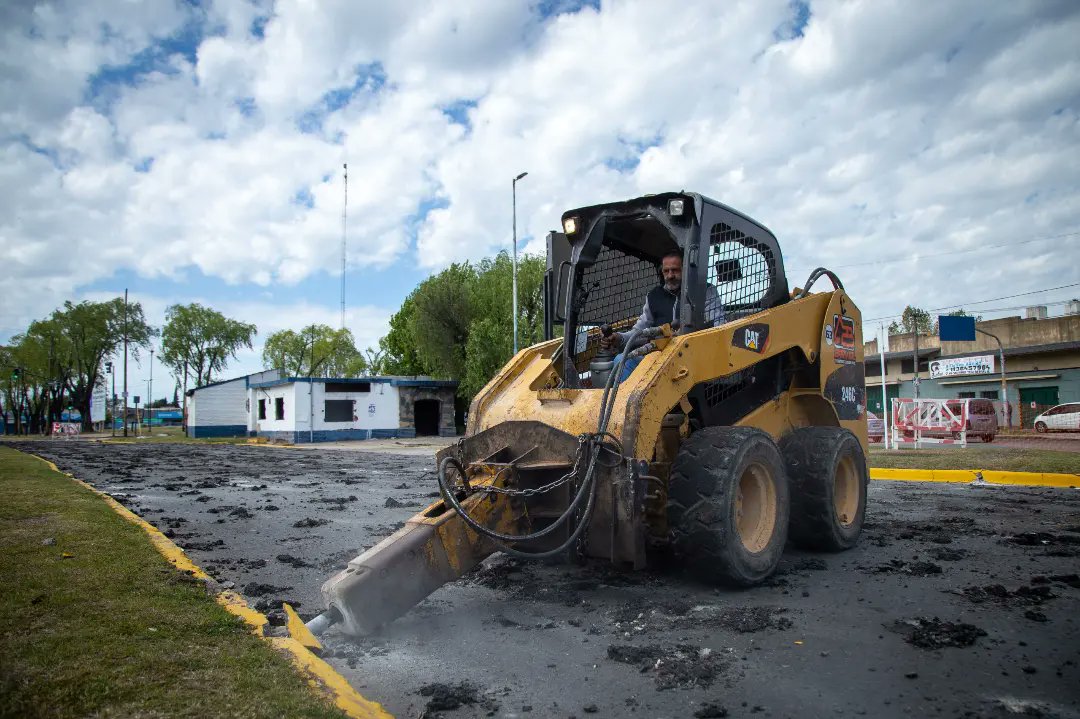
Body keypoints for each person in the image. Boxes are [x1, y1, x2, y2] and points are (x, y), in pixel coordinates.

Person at [600, 251, 723, 383]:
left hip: (693, 356)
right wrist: (619, 338)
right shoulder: (653, 296)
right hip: (658, 357)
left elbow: (719, 325)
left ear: (686, 270)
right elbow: (639, 331)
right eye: (666, 271)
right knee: (621, 360)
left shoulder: (705, 291)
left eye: (675, 270)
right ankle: (624, 403)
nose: (670, 275)